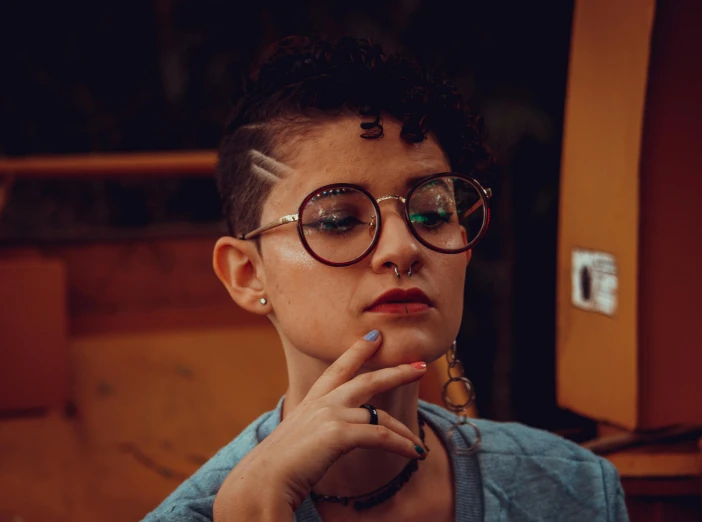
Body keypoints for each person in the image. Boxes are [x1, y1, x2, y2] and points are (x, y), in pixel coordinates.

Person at [143, 35, 628, 522]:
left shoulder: (573, 489)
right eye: (337, 220)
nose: (401, 248)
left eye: (433, 212)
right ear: (248, 274)